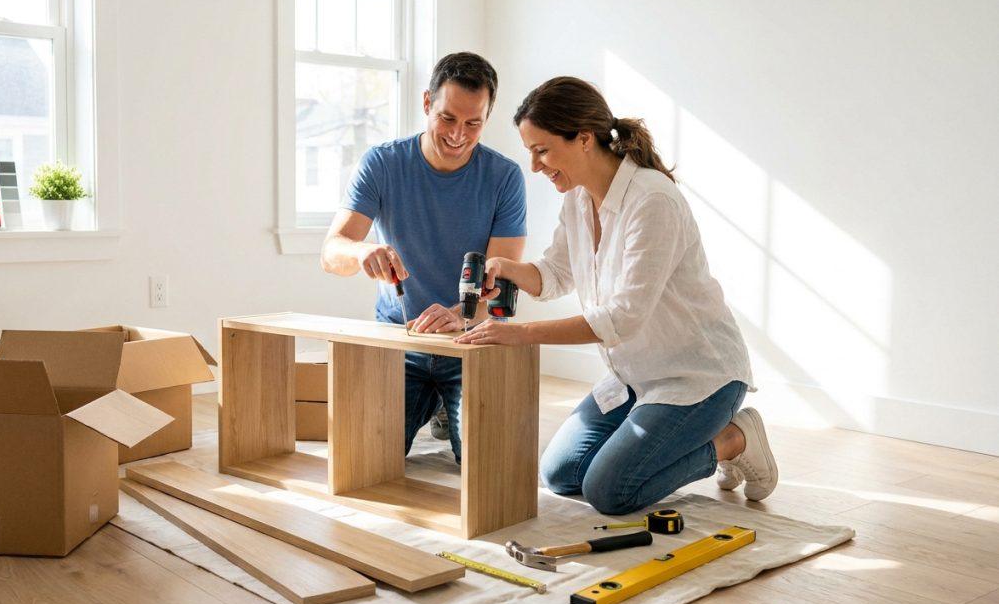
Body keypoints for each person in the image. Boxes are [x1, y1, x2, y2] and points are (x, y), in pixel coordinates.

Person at [454, 76, 776, 514]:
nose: (535, 166)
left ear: (584, 139)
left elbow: (623, 318)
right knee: (561, 475)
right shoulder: (577, 198)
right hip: (632, 376)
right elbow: (558, 273)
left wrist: (520, 333)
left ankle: (734, 439)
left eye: (542, 150)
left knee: (609, 491)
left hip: (697, 378)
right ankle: (675, 433)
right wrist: (510, 269)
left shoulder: (653, 200)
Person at [320, 52, 527, 463]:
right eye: (448, 118)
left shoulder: (505, 177)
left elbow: (503, 280)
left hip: (469, 340)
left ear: (488, 117)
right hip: (401, 339)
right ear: (427, 103)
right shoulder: (383, 163)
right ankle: (434, 401)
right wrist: (363, 251)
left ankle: (447, 402)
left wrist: (460, 316)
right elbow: (331, 252)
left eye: (474, 123)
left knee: (485, 464)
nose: (458, 135)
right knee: (367, 458)